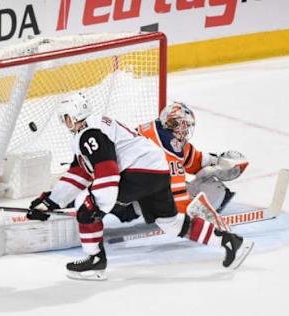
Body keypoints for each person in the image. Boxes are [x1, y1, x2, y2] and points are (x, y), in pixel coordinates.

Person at [30, 92, 254, 281]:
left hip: (139, 174)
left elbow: (107, 170)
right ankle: (230, 241)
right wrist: (50, 201)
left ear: (74, 115)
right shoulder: (92, 129)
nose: (65, 123)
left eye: (66, 118)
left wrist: (98, 206)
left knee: (86, 206)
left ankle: (95, 261)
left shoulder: (91, 133)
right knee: (171, 222)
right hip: (156, 172)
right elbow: (80, 172)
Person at [136, 101, 248, 216]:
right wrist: (188, 214)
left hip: (128, 190)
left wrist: (217, 162)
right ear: (172, 123)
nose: (186, 130)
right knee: (216, 191)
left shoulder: (157, 130)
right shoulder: (168, 142)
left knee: (206, 184)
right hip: (137, 198)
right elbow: (176, 185)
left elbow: (192, 160)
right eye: (184, 125)